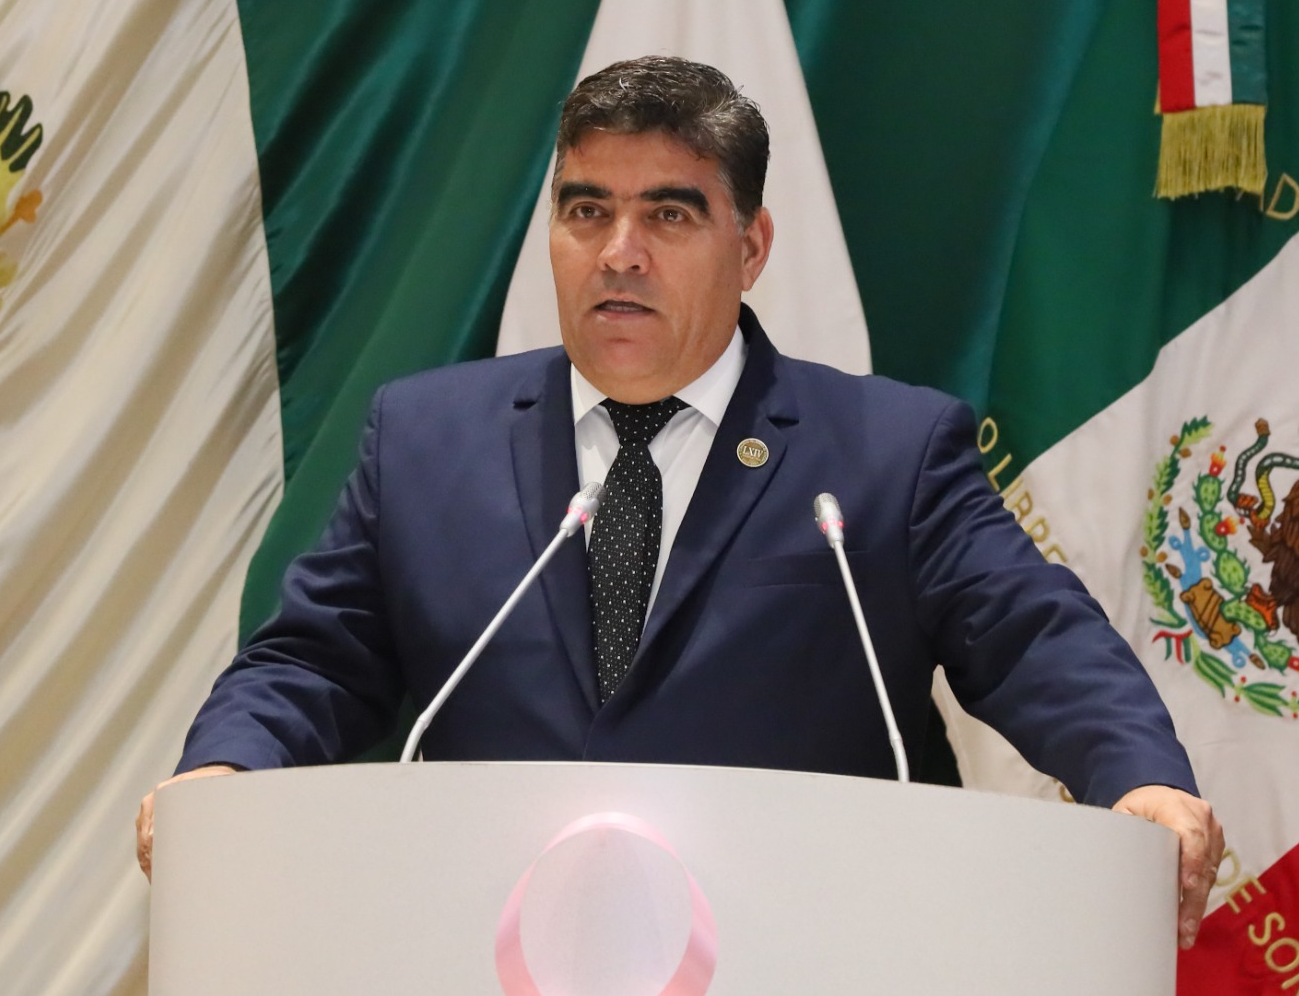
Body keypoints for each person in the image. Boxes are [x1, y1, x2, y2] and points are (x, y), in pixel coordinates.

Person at [137, 56, 1222, 948]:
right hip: (488, 950)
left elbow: (1033, 637)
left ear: (749, 247)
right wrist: (225, 769)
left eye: (668, 213)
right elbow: (316, 658)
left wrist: (1138, 780)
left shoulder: (887, 453)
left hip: (809, 951)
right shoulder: (424, 437)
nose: (620, 253)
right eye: (586, 210)